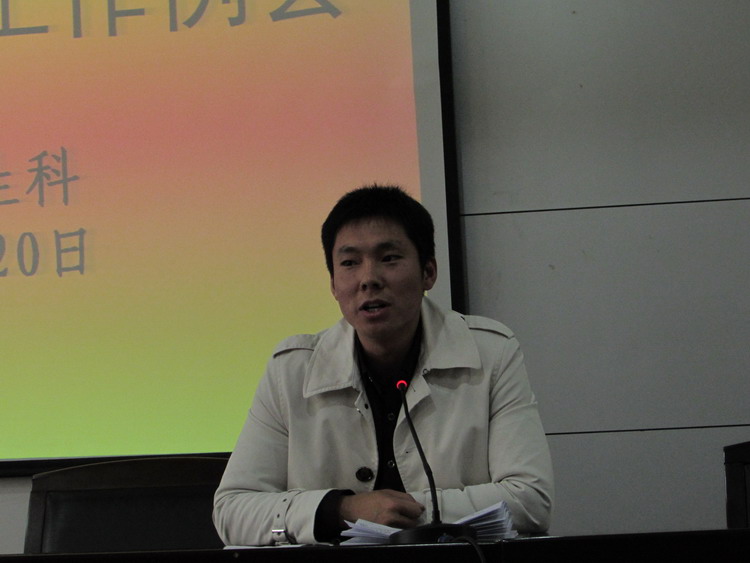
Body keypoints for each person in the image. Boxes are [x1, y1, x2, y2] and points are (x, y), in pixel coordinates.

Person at [213, 185, 553, 545]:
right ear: (333, 284)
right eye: (349, 263)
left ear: (428, 272)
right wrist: (343, 510)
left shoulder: (491, 353)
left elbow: (530, 499)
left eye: (389, 258)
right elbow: (233, 511)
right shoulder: (292, 370)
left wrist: (402, 512)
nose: (368, 279)